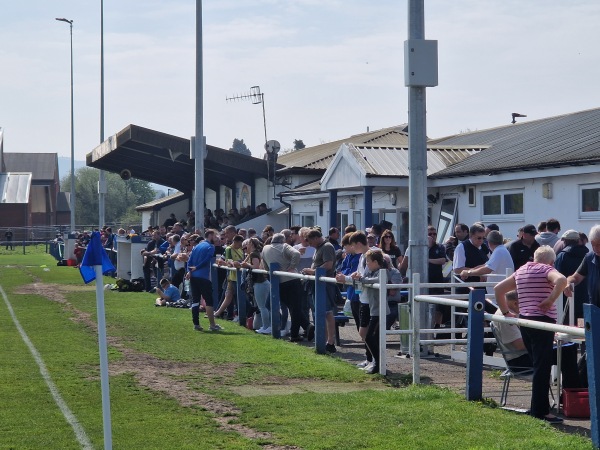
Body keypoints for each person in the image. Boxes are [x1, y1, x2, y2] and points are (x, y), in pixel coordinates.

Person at [494, 246, 568, 424]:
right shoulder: (547, 269)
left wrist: (505, 312)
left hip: (525, 322)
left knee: (538, 366)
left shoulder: (522, 270)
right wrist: (550, 299)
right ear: (551, 261)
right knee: (542, 367)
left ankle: (536, 407)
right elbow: (562, 280)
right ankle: (541, 411)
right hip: (542, 322)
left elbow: (498, 289)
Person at [492, 290, 580, 386]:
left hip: (521, 356)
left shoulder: (505, 313)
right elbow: (519, 345)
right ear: (515, 303)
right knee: (566, 352)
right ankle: (573, 390)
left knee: (567, 349)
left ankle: (571, 391)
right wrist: (545, 339)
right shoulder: (506, 318)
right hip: (521, 361)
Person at [261, 233, 313, 342]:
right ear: (282, 240)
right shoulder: (285, 246)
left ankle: (306, 327)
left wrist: (271, 273)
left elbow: (265, 265)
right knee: (296, 308)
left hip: (278, 282)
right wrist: (292, 267)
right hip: (292, 280)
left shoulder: (265, 249)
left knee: (292, 308)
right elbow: (296, 254)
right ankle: (299, 332)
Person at [302, 229, 339, 353]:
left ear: (316, 238)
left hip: (325, 284)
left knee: (327, 313)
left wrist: (312, 271)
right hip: (318, 284)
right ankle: (323, 341)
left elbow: (328, 265)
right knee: (321, 312)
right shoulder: (319, 247)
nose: (309, 244)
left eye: (310, 241)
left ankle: (330, 342)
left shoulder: (327, 246)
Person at [357, 249, 390, 374]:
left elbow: (375, 280)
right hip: (373, 311)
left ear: (376, 262)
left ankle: (378, 363)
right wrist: (359, 278)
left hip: (380, 312)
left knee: (370, 337)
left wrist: (362, 280)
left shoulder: (382, 272)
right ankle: (376, 362)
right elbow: (364, 279)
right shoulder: (371, 272)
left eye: (368, 262)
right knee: (372, 338)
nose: (367, 265)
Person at [186, 230, 223, 332]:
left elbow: (190, 260)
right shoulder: (211, 247)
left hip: (194, 277)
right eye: (216, 236)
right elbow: (206, 260)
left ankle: (196, 324)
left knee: (195, 300)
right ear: (210, 236)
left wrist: (189, 271)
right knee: (209, 301)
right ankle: (212, 325)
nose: (217, 238)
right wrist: (196, 268)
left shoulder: (197, 246)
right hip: (204, 277)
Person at [460, 230, 513, 297]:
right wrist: (468, 271)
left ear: (489, 243)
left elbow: (487, 269)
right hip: (499, 294)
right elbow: (485, 265)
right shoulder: (500, 250)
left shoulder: (499, 251)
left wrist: (468, 273)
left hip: (499, 296)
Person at [237, 238, 271, 334]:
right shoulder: (253, 254)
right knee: (264, 306)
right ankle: (267, 326)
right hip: (261, 282)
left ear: (251, 244)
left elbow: (256, 267)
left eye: (247, 244)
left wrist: (246, 265)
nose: (245, 247)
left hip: (260, 282)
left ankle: (266, 326)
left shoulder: (253, 254)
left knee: (262, 307)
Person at [554, 229, 589, 321]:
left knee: (568, 327)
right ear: (578, 240)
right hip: (586, 297)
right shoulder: (588, 255)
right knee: (584, 327)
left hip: (567, 295)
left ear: (565, 241)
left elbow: (557, 277)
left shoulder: (562, 256)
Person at [565, 224, 600, 309]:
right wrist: (568, 282)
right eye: (592, 245)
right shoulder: (589, 257)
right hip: (594, 309)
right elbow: (576, 277)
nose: (595, 248)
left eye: (598, 244)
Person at [214, 234, 245, 319]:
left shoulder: (241, 249)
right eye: (240, 243)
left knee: (231, 296)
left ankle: (219, 313)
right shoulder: (228, 249)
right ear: (236, 242)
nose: (241, 245)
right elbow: (229, 262)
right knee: (229, 296)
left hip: (237, 277)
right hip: (232, 277)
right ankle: (218, 313)